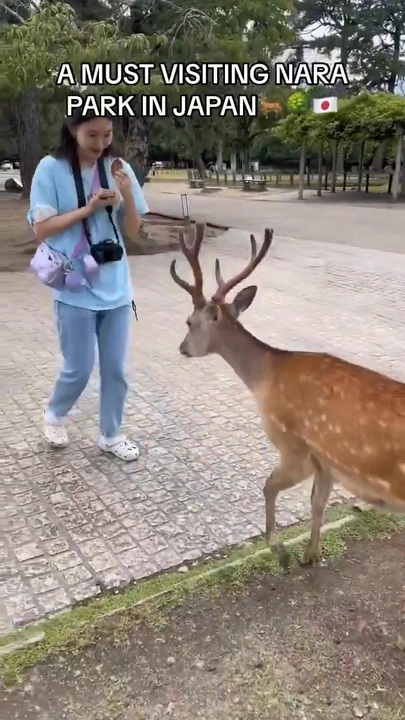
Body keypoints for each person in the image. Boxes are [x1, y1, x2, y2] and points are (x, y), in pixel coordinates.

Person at [28, 109, 149, 461]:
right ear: (73, 130)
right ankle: (55, 414)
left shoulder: (118, 168)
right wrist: (88, 209)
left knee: (116, 369)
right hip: (74, 284)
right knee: (78, 368)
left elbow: (134, 232)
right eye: (92, 135)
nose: (100, 144)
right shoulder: (50, 168)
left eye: (107, 135)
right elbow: (41, 229)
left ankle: (111, 435)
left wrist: (126, 193)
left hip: (116, 285)